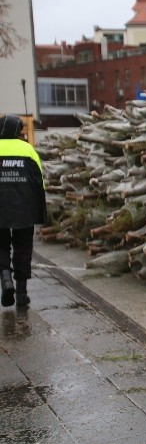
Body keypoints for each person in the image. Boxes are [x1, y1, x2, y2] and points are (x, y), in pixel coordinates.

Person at [0, 115, 46, 308]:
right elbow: (39, 182)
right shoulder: (28, 150)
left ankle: (5, 279)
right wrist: (41, 212)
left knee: (1, 246)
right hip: (24, 209)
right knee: (23, 248)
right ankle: (21, 293)